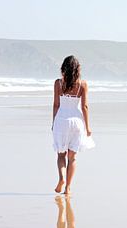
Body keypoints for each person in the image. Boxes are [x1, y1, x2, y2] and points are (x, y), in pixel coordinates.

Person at [52, 55, 95, 195]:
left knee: (61, 155)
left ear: (63, 67)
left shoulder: (58, 83)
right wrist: (88, 127)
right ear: (77, 69)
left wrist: (54, 123)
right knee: (72, 157)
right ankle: (68, 187)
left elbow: (56, 105)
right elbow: (85, 107)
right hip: (76, 122)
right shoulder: (82, 85)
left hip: (61, 120)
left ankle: (62, 178)